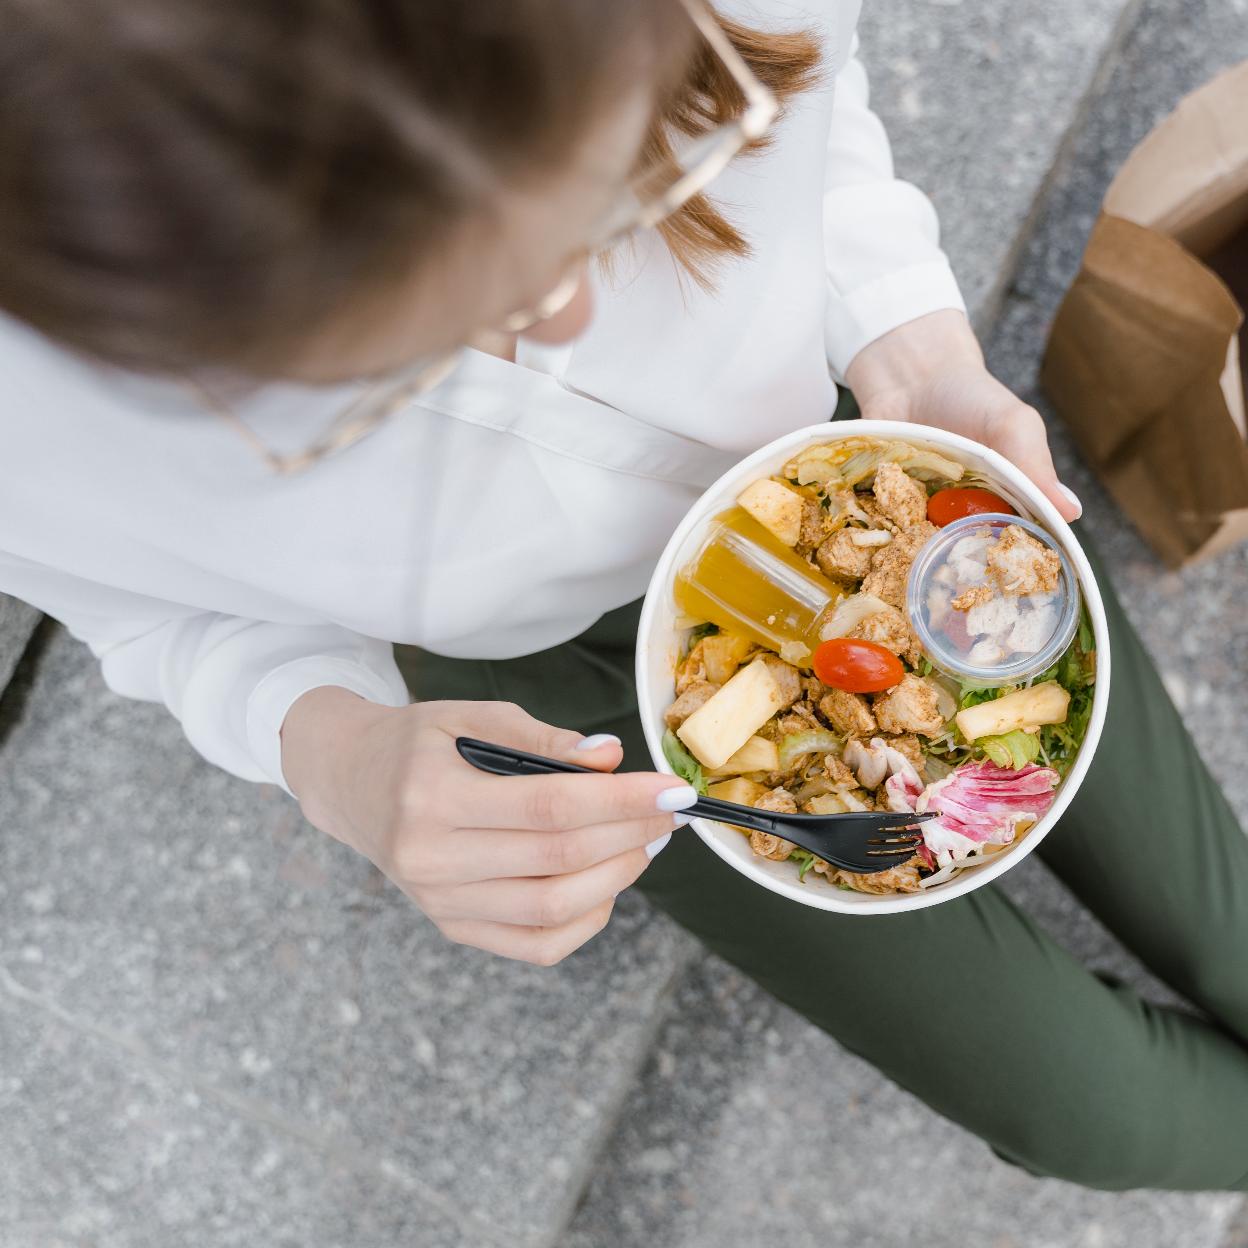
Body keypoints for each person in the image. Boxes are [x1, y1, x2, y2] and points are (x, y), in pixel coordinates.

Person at [1, 0, 1245, 1196]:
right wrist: (343, 759)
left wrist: (909, 341)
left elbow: (815, 103)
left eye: (613, 181)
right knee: (1086, 1111)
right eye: (424, 320)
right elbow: (145, 603)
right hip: (537, 685)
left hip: (858, 491)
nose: (576, 310)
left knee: (1225, 916)